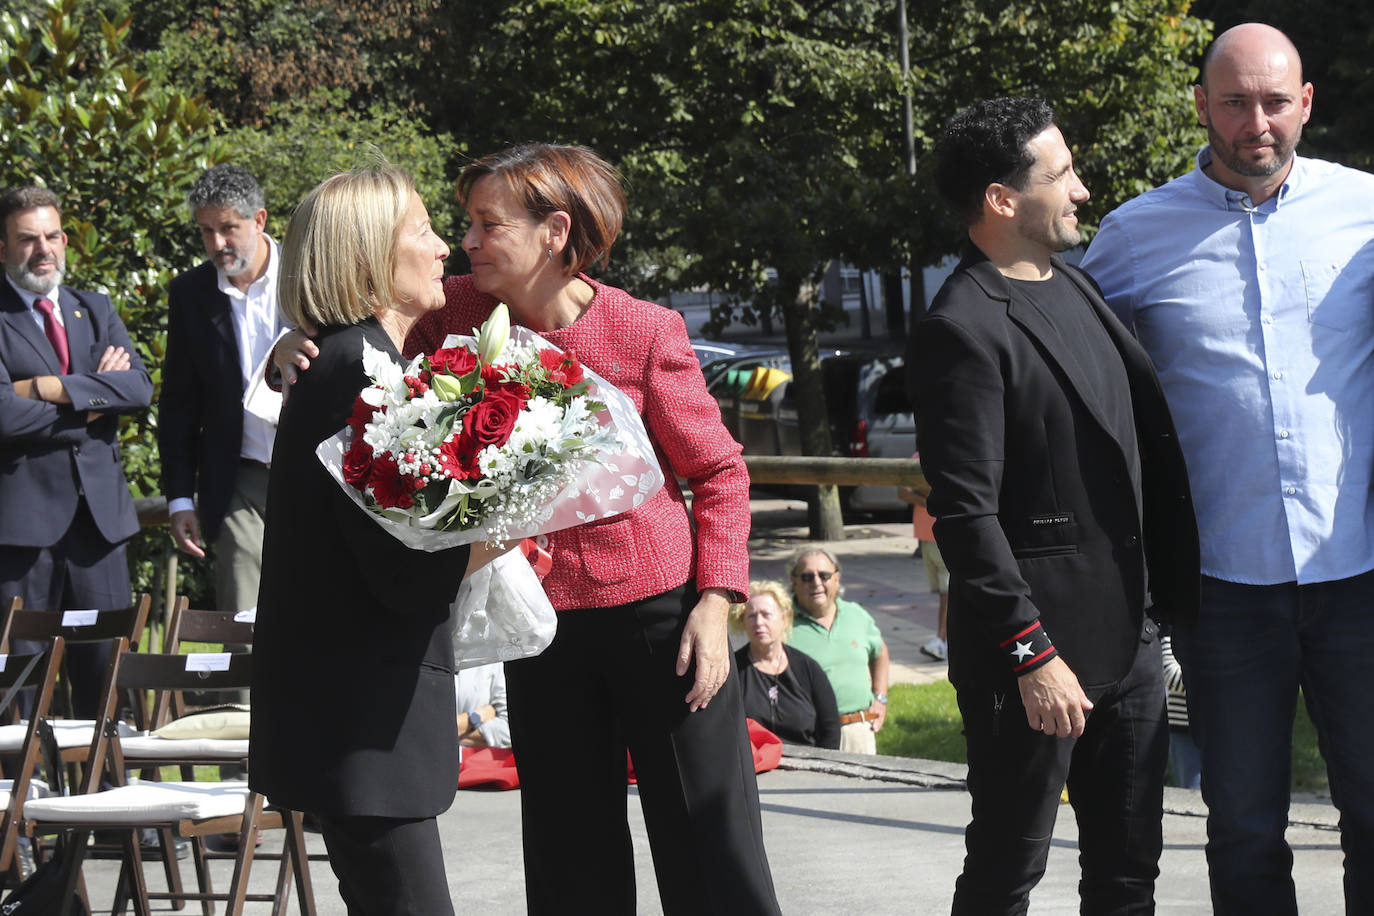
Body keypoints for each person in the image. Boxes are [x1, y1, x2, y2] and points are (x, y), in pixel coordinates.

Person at [274, 144, 781, 916]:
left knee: (711, 851)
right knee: (569, 856)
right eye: (463, 224)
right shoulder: (452, 313)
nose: (465, 241)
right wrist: (291, 343)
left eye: (485, 224)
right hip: (542, 632)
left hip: (666, 623)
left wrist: (717, 603)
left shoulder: (646, 331)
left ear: (554, 231)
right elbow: (356, 309)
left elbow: (719, 475)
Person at [1078, 23, 1374, 913]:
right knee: (1243, 823)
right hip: (1223, 589)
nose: (1258, 123)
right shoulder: (1133, 237)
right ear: (1202, 104)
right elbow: (1075, 369)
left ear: (1306, 105)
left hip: (1359, 573)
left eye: (1276, 102)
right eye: (1237, 102)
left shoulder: (1365, 215)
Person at [907, 97, 1199, 914]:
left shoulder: (1078, 285)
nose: (1079, 188)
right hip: (1036, 664)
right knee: (1006, 875)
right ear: (1002, 198)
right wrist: (1031, 655)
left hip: (1133, 647)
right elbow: (965, 515)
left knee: (1128, 874)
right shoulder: (961, 327)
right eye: (1060, 171)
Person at [249, 167, 498, 916]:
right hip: (362, 725)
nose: (442, 246)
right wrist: (502, 533)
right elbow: (400, 572)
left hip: (353, 723)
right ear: (368, 256)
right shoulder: (360, 370)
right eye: (421, 229)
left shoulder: (355, 360)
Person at [0, 185, 153, 718]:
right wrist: (91, 397)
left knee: (106, 679)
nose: (43, 249)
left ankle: (108, 793)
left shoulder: (95, 308)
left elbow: (137, 390)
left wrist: (43, 386)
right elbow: (1, 415)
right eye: (26, 240)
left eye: (51, 236)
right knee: (19, 686)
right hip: (23, 533)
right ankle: (23, 799)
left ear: (65, 240)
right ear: (3, 249)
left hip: (101, 528)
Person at [160, 164, 285, 620]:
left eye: (228, 228)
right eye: (206, 231)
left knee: (319, 605)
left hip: (315, 466)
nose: (216, 244)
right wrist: (178, 497)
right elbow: (178, 404)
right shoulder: (190, 293)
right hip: (238, 476)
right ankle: (241, 696)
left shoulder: (307, 275)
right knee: (243, 611)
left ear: (259, 220)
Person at [783, 547, 890, 755]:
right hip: (809, 736)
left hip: (857, 732)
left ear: (837, 579)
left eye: (824, 575)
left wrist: (881, 697)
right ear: (794, 581)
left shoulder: (857, 615)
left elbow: (881, 652)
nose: (816, 583)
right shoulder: (782, 624)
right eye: (806, 577)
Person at [729, 580, 840, 749]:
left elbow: (830, 729)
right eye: (751, 616)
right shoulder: (732, 670)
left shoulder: (808, 668)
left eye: (766, 614)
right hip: (753, 768)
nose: (758, 622)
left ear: (784, 618)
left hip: (806, 766)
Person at [897, 454, 948, 661]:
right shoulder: (916, 457)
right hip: (926, 538)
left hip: (945, 537)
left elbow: (945, 492)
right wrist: (930, 498)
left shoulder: (948, 452)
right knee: (943, 594)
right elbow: (902, 492)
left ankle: (940, 641)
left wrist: (920, 492)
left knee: (948, 594)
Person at [455, 662, 510, 749]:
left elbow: (506, 728)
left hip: (472, 759)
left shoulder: (493, 661)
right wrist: (476, 717)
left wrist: (445, 735)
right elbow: (426, 731)